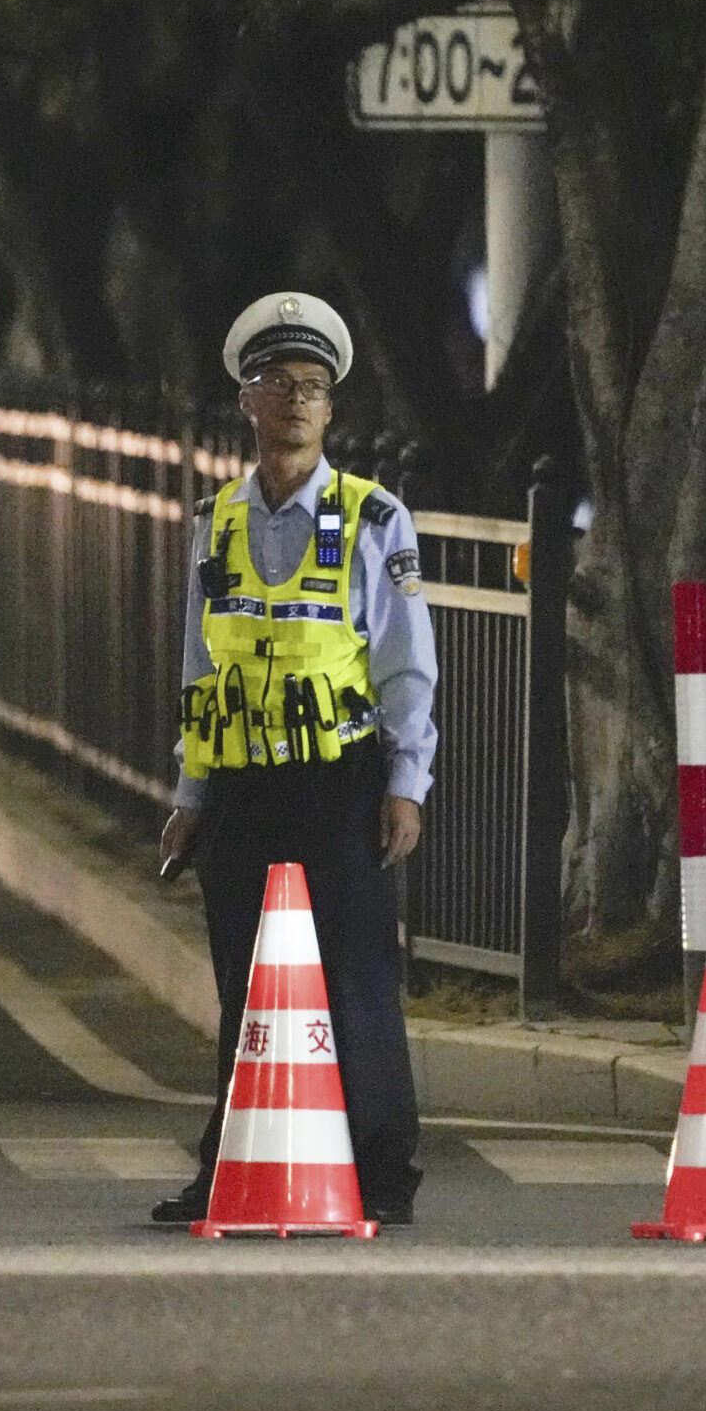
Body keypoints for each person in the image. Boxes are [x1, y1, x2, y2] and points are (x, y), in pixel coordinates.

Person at [151, 292, 438, 1227]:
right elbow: (201, 664)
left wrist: (406, 783)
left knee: (356, 978)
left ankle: (382, 1172)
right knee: (244, 985)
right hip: (240, 785)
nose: (298, 401)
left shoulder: (373, 518)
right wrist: (191, 792)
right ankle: (231, 1165)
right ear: (247, 400)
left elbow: (405, 664)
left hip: (338, 779)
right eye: (280, 383)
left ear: (331, 407)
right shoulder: (216, 520)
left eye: (314, 387)